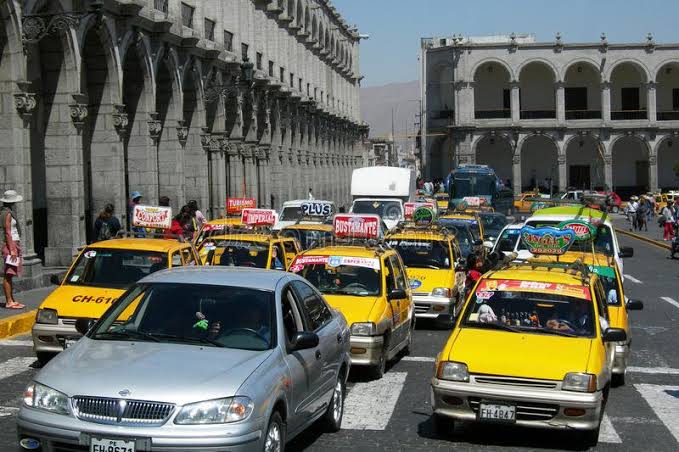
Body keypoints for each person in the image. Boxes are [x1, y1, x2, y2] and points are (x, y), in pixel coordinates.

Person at [1, 190, 25, 309]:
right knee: (8, 274)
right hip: (11, 245)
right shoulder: (7, 214)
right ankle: (9, 301)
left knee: (10, 273)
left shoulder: (6, 212)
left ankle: (12, 299)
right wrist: (12, 249)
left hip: (13, 244)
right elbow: (7, 232)